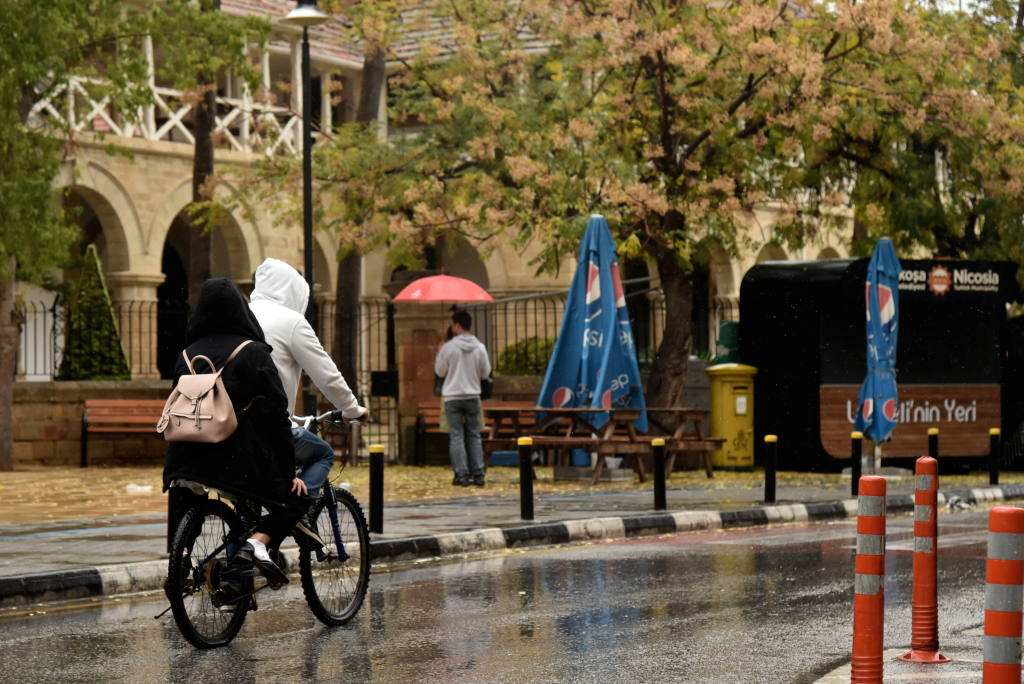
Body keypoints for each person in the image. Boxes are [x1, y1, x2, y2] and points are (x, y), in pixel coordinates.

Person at [162, 278, 306, 585]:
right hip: (237, 460)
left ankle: (182, 555)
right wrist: (287, 470)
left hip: (185, 455)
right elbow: (277, 417)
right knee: (298, 497)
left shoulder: (185, 355)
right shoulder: (253, 353)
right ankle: (255, 544)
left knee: (185, 492)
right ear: (241, 310)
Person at [248, 259, 368, 531]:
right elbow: (327, 375)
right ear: (293, 291)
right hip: (270, 428)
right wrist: (353, 410)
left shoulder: (242, 315)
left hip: (229, 428)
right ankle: (293, 510)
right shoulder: (291, 322)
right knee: (323, 453)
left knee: (246, 507)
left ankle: (237, 565)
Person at [434, 310, 491, 486]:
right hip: (472, 395)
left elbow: (440, 371)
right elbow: (486, 373)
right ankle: (478, 473)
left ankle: (462, 474)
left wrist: (439, 354)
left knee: (457, 436)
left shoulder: (449, 347)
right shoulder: (480, 347)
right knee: (474, 435)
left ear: (457, 325)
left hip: (452, 397)